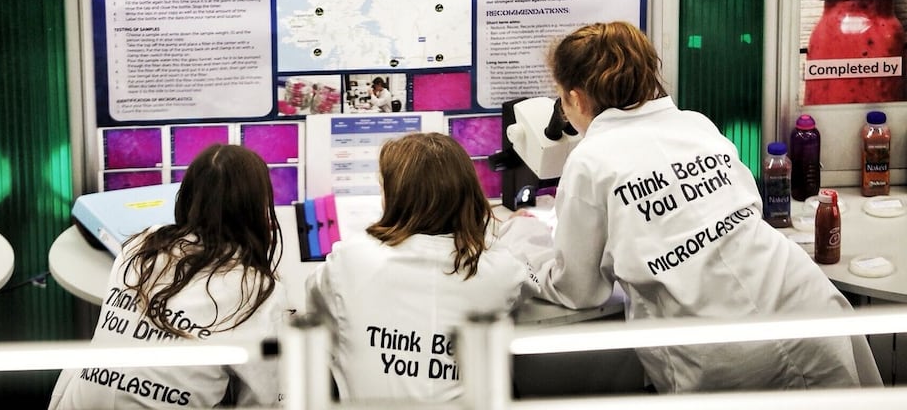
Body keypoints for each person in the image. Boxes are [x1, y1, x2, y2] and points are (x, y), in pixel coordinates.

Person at [501, 21, 882, 393]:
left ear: (575, 97)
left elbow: (579, 290)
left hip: (725, 351)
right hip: (806, 306)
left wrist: (523, 239)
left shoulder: (590, 160)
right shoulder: (697, 125)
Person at [48, 144, 288, 408]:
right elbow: (263, 400)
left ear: (185, 197)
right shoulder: (258, 293)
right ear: (258, 210)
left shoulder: (140, 245)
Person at [305, 132, 538, 403]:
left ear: (395, 198)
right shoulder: (501, 269)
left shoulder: (349, 260)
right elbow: (532, 285)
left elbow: (315, 311)